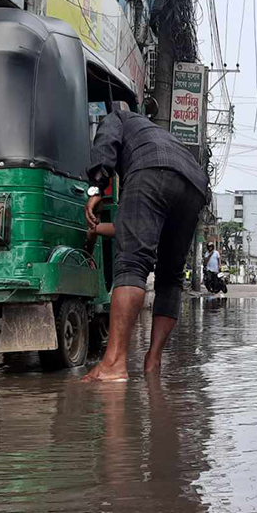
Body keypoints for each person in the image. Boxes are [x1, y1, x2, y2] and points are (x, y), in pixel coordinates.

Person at [83, 108, 209, 381]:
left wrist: (96, 189)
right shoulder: (165, 139)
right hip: (195, 185)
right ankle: (153, 361)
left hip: (152, 170)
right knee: (170, 277)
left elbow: (106, 142)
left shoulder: (119, 117)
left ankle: (114, 364)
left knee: (131, 264)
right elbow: (129, 227)